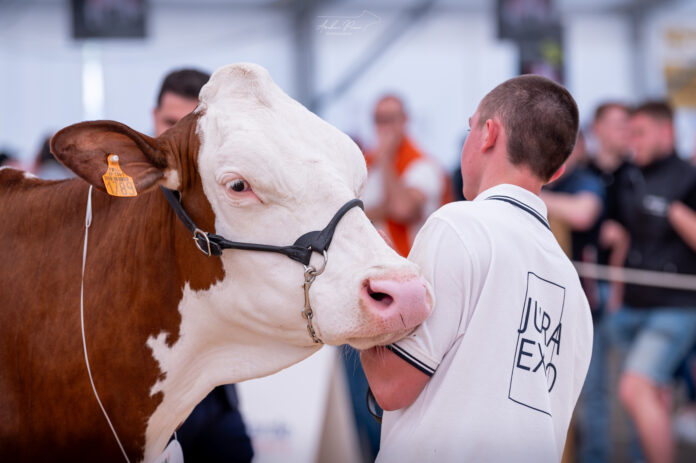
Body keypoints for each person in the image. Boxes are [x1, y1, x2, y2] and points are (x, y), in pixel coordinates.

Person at [360, 75, 593, 462]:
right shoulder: (575, 292)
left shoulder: (459, 226)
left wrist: (370, 282)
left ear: (488, 134)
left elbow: (390, 386)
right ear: (555, 173)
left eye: (469, 128)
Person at [153, 68, 254, 463]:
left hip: (214, 396)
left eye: (188, 126)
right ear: (153, 117)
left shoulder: (232, 203)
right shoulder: (126, 199)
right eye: (168, 124)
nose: (176, 138)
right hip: (149, 397)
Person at [610, 100, 696, 463]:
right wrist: (615, 289)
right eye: (630, 134)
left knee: (636, 388)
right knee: (648, 398)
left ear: (667, 132)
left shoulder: (690, 178)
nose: (633, 142)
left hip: (675, 309)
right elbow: (626, 235)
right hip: (631, 308)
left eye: (640, 133)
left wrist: (677, 213)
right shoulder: (629, 175)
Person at [362, 95, 446, 257]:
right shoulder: (367, 164)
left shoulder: (423, 165)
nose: (385, 127)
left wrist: (386, 159)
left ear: (404, 120)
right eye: (380, 119)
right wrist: (385, 208)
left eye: (391, 119)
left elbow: (403, 209)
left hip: (409, 262)